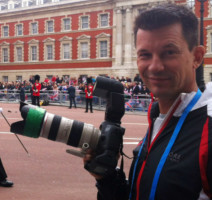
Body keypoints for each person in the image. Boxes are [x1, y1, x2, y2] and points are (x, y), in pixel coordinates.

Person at [84, 4, 212, 200]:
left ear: (196, 57)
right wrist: (106, 177)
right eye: (145, 55)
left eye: (169, 52)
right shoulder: (157, 117)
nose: (155, 67)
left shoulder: (208, 130)